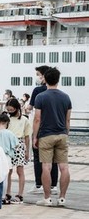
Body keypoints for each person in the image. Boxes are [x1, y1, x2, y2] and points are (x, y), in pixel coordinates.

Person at [33, 67, 72, 207]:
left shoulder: (40, 97)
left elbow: (37, 119)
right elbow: (68, 120)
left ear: (45, 79)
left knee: (46, 167)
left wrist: (34, 137)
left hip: (46, 135)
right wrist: (65, 133)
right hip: (62, 134)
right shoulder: (66, 97)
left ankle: (47, 198)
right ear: (58, 80)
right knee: (64, 167)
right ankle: (62, 198)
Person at [26, 66, 58, 190]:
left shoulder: (38, 91)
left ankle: (39, 185)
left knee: (39, 158)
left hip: (41, 129)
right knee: (54, 159)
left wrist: (34, 135)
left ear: (44, 76)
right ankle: (54, 185)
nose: (38, 77)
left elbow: (32, 110)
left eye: (39, 74)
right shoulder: (57, 92)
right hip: (55, 128)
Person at [3, 98, 31, 204]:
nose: (10, 111)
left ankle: (20, 194)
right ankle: (8, 193)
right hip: (8, 145)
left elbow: (27, 136)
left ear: (16, 108)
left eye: (11, 109)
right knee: (8, 171)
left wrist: (27, 151)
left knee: (20, 171)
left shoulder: (24, 120)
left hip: (19, 144)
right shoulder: (6, 119)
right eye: (8, 110)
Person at [0, 113, 17, 219]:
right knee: (6, 176)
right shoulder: (10, 133)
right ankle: (4, 195)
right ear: (7, 123)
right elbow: (15, 145)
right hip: (6, 156)